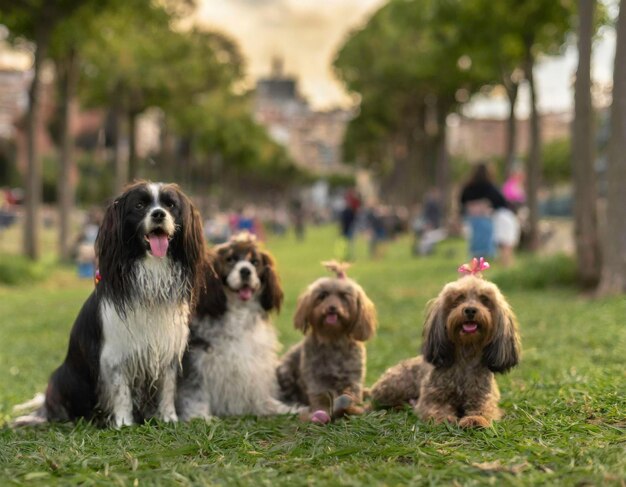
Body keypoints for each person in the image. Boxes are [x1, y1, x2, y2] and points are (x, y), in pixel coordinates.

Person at [459, 163, 508, 260]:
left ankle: (476, 256)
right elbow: (502, 202)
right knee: (486, 237)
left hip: (472, 218)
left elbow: (462, 201)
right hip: (486, 217)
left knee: (475, 239)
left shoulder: (468, 187)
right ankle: (486, 256)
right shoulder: (489, 186)